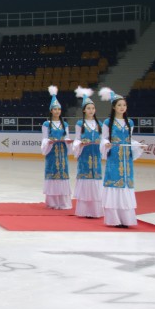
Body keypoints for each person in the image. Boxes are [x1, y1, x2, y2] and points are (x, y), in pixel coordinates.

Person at [99, 87, 145, 228]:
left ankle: (126, 219)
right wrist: (106, 144)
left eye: (124, 105)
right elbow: (104, 138)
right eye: (119, 105)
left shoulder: (130, 123)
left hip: (126, 159)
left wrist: (138, 145)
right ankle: (114, 219)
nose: (122, 107)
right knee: (114, 184)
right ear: (114, 107)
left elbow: (129, 140)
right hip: (114, 158)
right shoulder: (108, 122)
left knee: (126, 185)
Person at [71, 87, 103, 218]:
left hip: (96, 156)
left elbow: (103, 139)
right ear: (84, 110)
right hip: (85, 156)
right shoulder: (80, 124)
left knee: (95, 182)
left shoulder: (99, 123)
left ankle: (95, 211)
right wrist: (80, 144)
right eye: (88, 108)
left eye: (93, 108)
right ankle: (84, 210)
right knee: (86, 181)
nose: (91, 110)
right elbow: (77, 139)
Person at [40, 85, 72, 210]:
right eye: (55, 109)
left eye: (59, 109)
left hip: (62, 153)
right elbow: (44, 138)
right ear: (51, 111)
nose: (57, 111)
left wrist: (67, 141)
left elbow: (67, 137)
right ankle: (52, 202)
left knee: (63, 174)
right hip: (52, 153)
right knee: (52, 174)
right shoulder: (46, 124)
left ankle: (63, 201)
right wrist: (49, 142)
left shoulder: (65, 124)